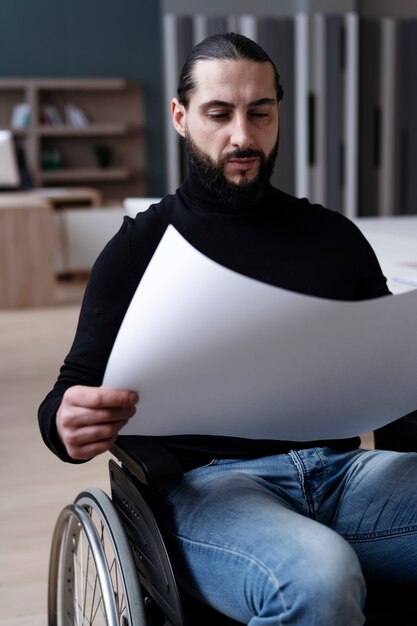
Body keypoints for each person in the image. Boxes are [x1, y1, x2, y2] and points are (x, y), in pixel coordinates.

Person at [38, 33, 417, 626]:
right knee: (318, 576)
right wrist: (66, 420)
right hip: (210, 493)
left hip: (345, 476)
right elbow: (69, 393)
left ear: (277, 114)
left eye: (260, 113)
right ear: (181, 117)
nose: (243, 137)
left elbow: (390, 392)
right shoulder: (139, 248)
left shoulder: (334, 238)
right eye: (220, 114)